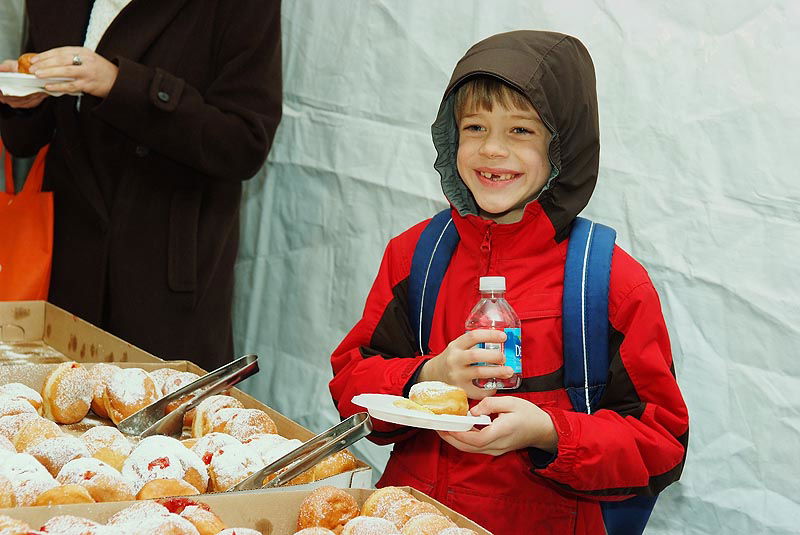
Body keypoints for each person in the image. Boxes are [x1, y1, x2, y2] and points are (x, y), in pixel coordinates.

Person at [329, 31, 689, 534]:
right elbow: (351, 383)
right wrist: (428, 376)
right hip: (414, 515)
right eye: (474, 127)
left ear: (563, 146)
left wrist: (549, 432)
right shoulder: (416, 255)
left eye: (521, 130)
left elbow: (660, 444)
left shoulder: (608, 281)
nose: (492, 150)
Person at [0, 0, 282, 370]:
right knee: (53, 417)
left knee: (165, 419)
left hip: (167, 278)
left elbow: (244, 143)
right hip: (65, 272)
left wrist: (119, 84)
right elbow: (28, 140)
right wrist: (24, 100)